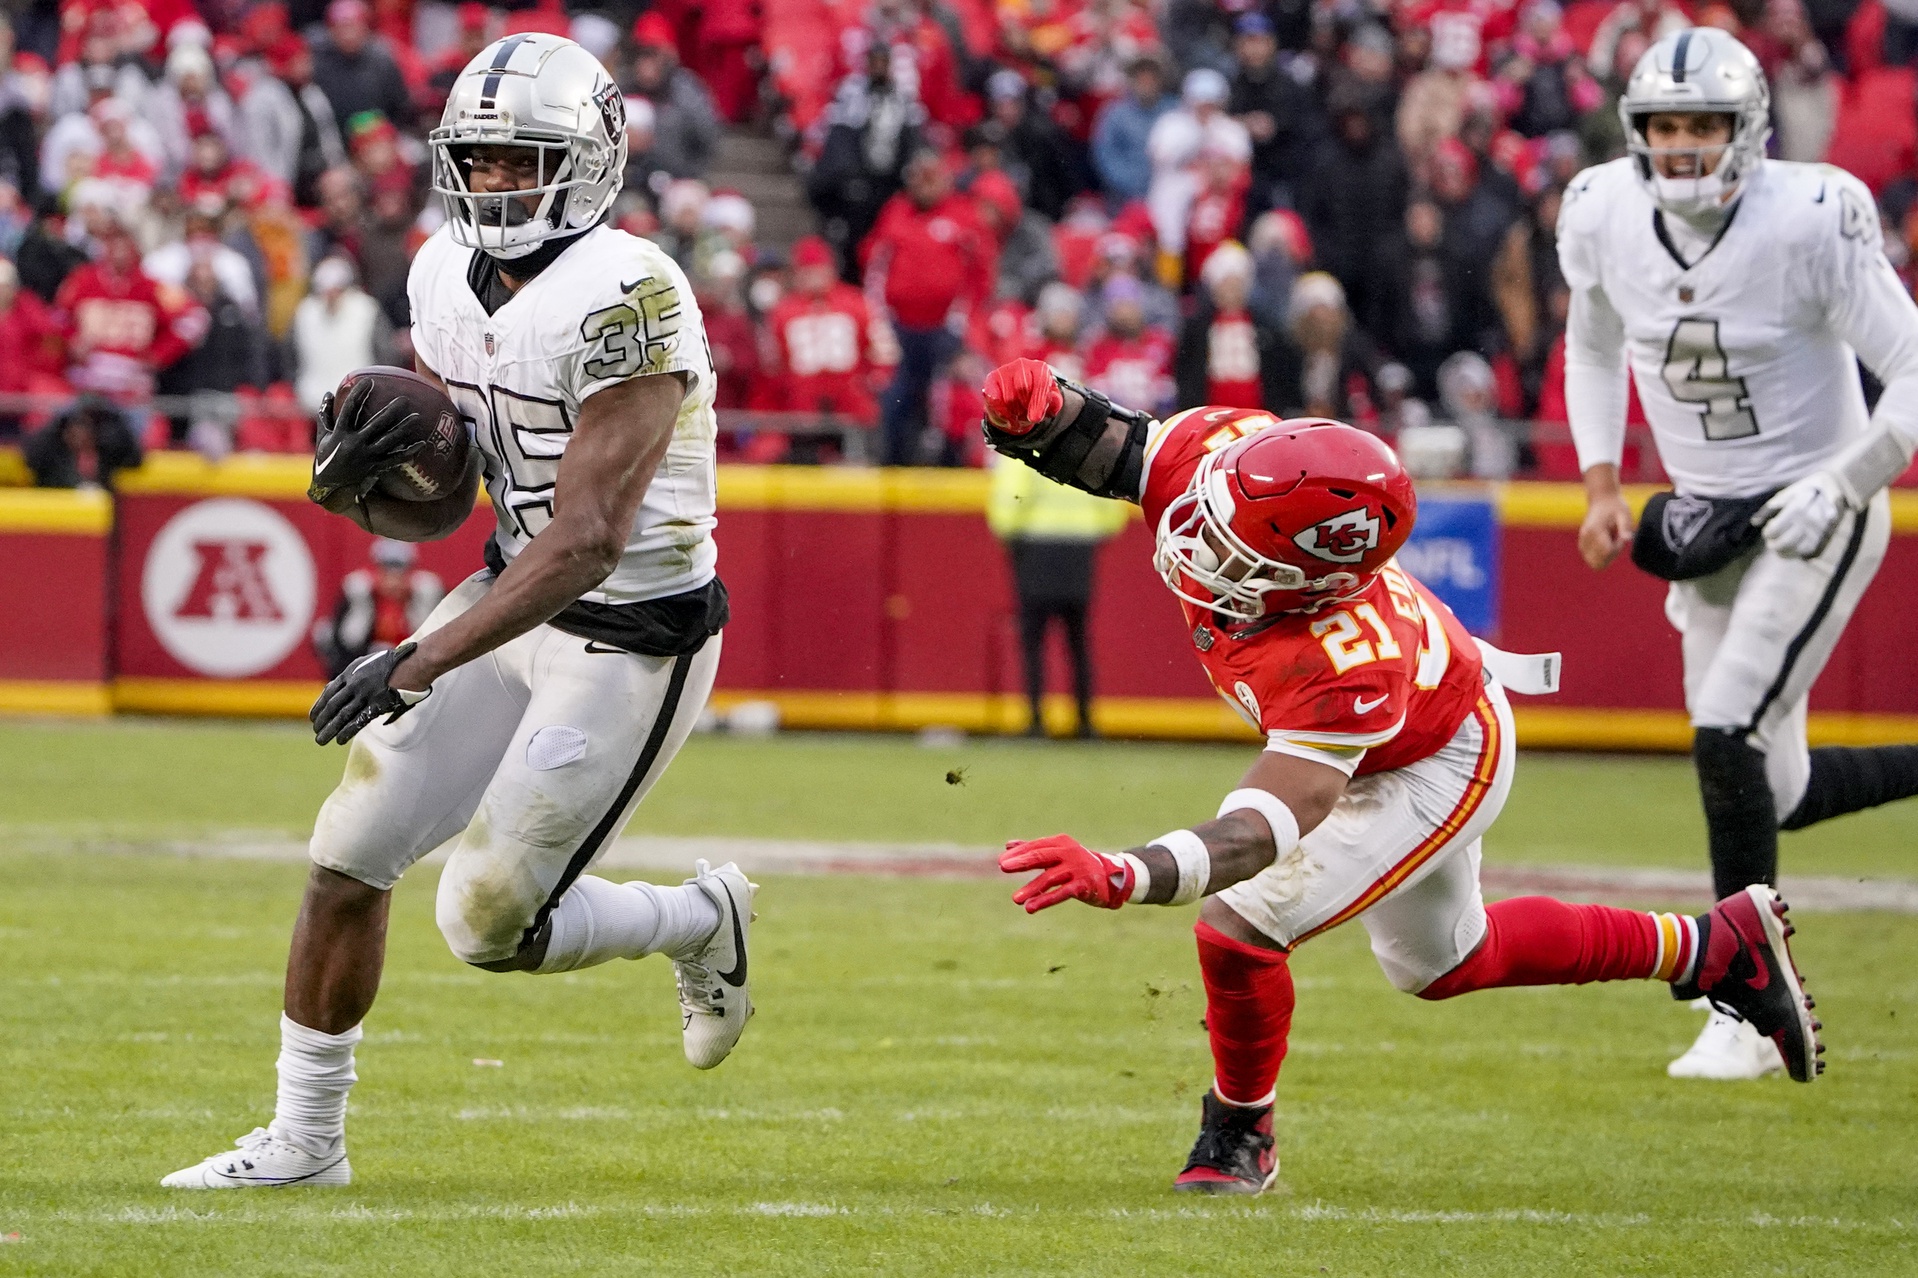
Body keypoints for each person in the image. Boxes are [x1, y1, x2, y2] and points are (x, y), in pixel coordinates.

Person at [975, 355, 1823, 1193]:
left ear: (1312, 582)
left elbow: (1258, 833)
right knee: (1445, 965)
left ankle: (1240, 1131)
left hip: (1434, 757)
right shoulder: (1229, 458)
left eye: (1233, 551)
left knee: (1239, 925)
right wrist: (1043, 410)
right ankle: (1711, 948)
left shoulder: (1343, 662)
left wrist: (1124, 872)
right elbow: (1121, 451)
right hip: (1410, 711)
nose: (1195, 546)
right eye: (1211, 518)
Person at [162, 33, 752, 1191]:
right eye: (478, 159)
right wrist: (377, 475)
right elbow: (458, 484)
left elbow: (588, 539)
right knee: (348, 851)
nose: (493, 183)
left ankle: (696, 917)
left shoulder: (631, 292)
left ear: (588, 163)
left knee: (486, 924)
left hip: (632, 632)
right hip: (510, 588)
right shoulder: (440, 271)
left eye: (521, 160)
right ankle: (305, 1142)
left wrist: (415, 659)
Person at [1561, 29, 1918, 1081]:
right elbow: (1593, 342)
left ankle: (1743, 1007)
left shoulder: (1811, 217)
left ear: (1748, 130)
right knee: (1776, 783)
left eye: (1702, 125)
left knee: (1726, 730)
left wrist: (1844, 482)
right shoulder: (1602, 210)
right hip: (1707, 518)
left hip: (1816, 505)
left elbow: (1911, 368)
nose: (1680, 146)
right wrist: (1599, 483)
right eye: (1664, 126)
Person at [860, 148, 994, 464]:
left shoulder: (963, 215)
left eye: (931, 179)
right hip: (899, 325)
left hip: (944, 325)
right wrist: (878, 320)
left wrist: (965, 321)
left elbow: (980, 272)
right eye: (919, 180)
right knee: (894, 394)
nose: (924, 187)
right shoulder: (896, 211)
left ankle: (946, 463)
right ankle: (892, 461)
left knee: (945, 398)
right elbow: (874, 263)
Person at [986, 451, 1129, 738]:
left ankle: (1035, 720)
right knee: (1077, 640)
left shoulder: (1023, 448)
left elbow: (1011, 499)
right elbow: (1110, 505)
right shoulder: (1087, 448)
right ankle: (1085, 721)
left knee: (1033, 640)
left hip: (1035, 546)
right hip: (1080, 547)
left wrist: (1007, 530)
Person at [313, 538, 446, 678]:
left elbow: (433, 640)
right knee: (323, 632)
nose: (393, 577)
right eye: (386, 569)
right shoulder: (360, 592)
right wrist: (362, 605)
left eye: (400, 570)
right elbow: (350, 641)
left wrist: (421, 604)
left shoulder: (425, 592)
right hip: (365, 660)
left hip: (413, 661)